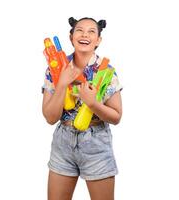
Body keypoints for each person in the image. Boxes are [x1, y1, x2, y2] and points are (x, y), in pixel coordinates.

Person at [42, 17, 123, 200]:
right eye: (79, 30)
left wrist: (93, 104)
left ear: (98, 40)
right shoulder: (54, 68)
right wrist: (62, 84)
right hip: (63, 142)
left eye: (91, 31)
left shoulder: (106, 71)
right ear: (71, 37)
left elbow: (117, 117)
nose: (85, 34)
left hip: (96, 142)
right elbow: (50, 117)